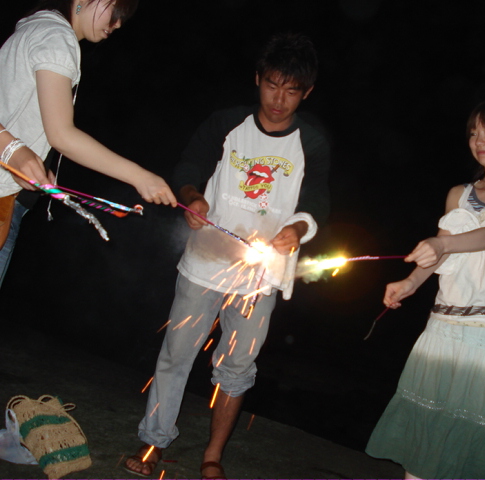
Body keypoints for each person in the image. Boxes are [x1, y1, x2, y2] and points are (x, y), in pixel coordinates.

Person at [124, 33, 329, 479]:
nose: (279, 99)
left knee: (236, 366)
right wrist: (192, 197)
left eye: (291, 90)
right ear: (257, 79)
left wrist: (296, 229)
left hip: (260, 276)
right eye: (272, 85)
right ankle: (153, 442)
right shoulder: (227, 123)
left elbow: (317, 200)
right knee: (176, 355)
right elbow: (188, 165)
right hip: (206, 261)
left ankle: (213, 456)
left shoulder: (311, 141)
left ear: (307, 92)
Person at [366, 99, 485, 479]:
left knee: (475, 447)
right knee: (424, 436)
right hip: (443, 326)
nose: (479, 140)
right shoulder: (457, 194)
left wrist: (441, 242)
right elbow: (439, 256)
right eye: (474, 132)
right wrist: (410, 282)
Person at [0, 0, 177, 286]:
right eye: (116, 11)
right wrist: (141, 177)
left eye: (123, 18)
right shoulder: (57, 37)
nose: (117, 24)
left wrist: (30, 162)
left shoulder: (38, 28)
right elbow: (62, 135)